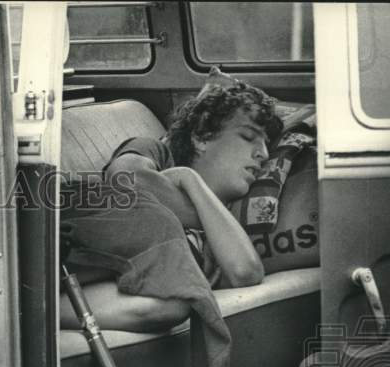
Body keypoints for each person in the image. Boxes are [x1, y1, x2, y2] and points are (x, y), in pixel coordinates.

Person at [60, 81, 283, 332]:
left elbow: (245, 272)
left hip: (121, 283)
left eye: (266, 144)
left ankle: (35, 313)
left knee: (171, 305)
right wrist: (211, 220)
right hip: (81, 251)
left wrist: (191, 181)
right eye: (248, 137)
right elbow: (126, 179)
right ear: (202, 137)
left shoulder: (228, 211)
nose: (263, 153)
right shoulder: (157, 154)